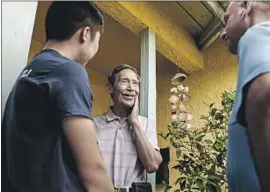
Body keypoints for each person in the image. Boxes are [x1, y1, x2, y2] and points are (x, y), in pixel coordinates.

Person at [2, 2, 114, 192]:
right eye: (98, 41)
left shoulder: (32, 70)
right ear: (85, 33)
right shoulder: (67, 70)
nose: (97, 48)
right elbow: (92, 170)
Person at [220, 1, 270, 192]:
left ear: (247, 7)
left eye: (227, 19)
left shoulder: (256, 34)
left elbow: (264, 97)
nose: (222, 33)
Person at [93, 64, 163, 190]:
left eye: (135, 83)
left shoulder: (146, 125)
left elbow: (152, 165)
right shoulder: (93, 125)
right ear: (110, 88)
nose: (131, 88)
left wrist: (135, 123)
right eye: (124, 82)